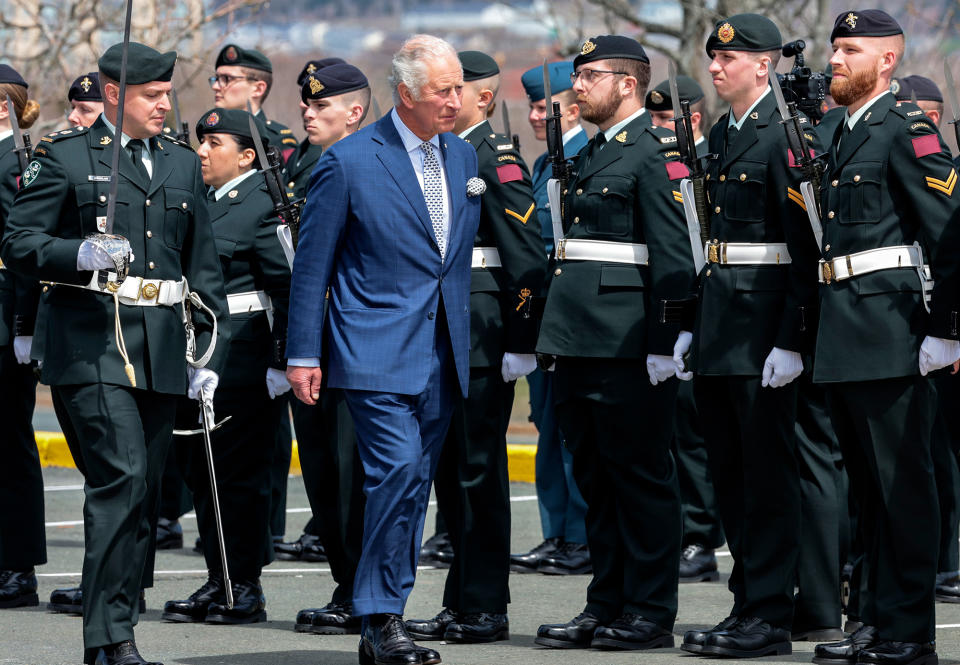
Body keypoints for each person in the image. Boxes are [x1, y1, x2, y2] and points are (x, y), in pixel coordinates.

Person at [0, 42, 229, 665]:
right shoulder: (68, 157)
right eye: (152, 95)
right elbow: (19, 241)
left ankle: (119, 626)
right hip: (91, 343)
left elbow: (201, 264)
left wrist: (210, 354)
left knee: (144, 492)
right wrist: (76, 255)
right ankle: (108, 640)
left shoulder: (181, 165)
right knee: (122, 479)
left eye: (166, 94)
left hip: (159, 348)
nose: (164, 104)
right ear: (112, 94)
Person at [285, 34, 480, 665]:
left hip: (442, 351)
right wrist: (302, 354)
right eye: (444, 90)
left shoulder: (461, 159)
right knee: (395, 470)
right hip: (370, 348)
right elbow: (311, 269)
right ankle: (377, 613)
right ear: (406, 94)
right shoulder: (349, 161)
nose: (457, 100)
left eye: (458, 88)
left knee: (413, 484)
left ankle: (384, 621)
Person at [533, 35, 694, 651]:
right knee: (596, 481)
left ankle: (650, 612)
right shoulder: (589, 153)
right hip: (577, 339)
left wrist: (664, 339)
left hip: (628, 343)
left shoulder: (653, 154)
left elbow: (674, 258)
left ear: (628, 84)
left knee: (641, 481)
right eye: (578, 74)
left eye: (591, 74)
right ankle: (606, 603)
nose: (579, 84)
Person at [811, 11, 960, 665]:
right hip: (846, 329)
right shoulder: (840, 132)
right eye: (835, 47)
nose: (836, 58)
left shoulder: (907, 128)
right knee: (867, 493)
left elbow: (949, 235)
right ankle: (870, 618)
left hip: (894, 331)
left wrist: (946, 329)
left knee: (903, 490)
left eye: (851, 49)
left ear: (889, 61)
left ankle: (908, 631)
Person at [673, 14, 821, 658]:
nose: (714, 67)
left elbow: (806, 245)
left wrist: (792, 337)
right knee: (730, 477)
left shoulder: (783, 135)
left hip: (763, 332)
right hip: (720, 327)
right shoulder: (723, 134)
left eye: (728, 59)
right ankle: (746, 605)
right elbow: (705, 246)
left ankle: (769, 612)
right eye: (712, 57)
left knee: (766, 480)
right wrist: (687, 327)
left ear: (763, 65)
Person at [405, 50, 545, 644]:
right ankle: (461, 599)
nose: (445, 100)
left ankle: (485, 605)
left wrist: (520, 339)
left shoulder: (495, 156)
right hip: (444, 333)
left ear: (482, 99)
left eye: (454, 90)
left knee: (478, 476)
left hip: (484, 336)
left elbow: (526, 256)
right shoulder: (445, 154)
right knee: (451, 476)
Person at [160, 107, 290, 626]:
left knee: (239, 474)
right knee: (201, 470)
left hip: (244, 351)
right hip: (196, 352)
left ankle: (246, 586)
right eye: (201, 142)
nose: (203, 152)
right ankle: (219, 578)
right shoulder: (199, 201)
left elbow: (287, 284)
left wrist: (282, 357)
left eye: (215, 143)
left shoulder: (264, 203)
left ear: (247, 156)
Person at [285, 62, 372, 637]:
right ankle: (348, 583)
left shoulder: (369, 161)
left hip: (357, 337)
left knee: (353, 473)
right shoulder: (306, 163)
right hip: (315, 336)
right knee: (322, 472)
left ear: (355, 113)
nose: (309, 114)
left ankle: (364, 592)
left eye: (322, 107)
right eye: (307, 107)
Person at [508, 60, 591, 576]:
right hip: (538, 313)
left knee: (571, 432)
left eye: (546, 107)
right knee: (546, 423)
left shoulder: (583, 156)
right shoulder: (544, 164)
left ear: (574, 109)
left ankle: (580, 537)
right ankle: (556, 533)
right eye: (536, 107)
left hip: (568, 312)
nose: (538, 116)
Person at [644, 73, 724, 585]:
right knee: (669, 436)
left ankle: (700, 536)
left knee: (695, 439)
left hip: (702, 313)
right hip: (662, 312)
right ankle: (681, 532)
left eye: (662, 120)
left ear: (690, 120)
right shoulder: (658, 164)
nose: (654, 128)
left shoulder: (707, 162)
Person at [0, 64, 44, 611]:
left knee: (8, 445)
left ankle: (17, 565)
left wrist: (24, 327)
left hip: (3, 321)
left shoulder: (15, 162)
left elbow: (24, 252)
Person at [211, 44, 298, 160]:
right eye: (216, 79)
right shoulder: (211, 135)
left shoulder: (277, 141)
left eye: (226, 79)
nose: (215, 86)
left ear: (258, 89)